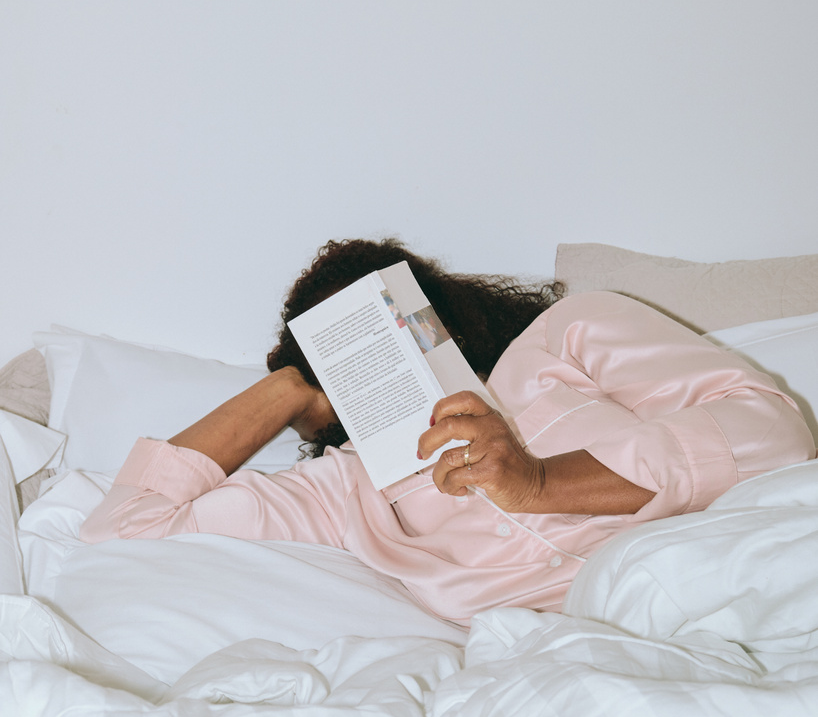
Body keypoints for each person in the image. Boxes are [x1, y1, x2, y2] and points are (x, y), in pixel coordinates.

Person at [81, 238, 816, 624]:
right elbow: (127, 537)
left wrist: (540, 483)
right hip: (577, 654)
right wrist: (286, 388)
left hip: (725, 575)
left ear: (441, 311)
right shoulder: (350, 494)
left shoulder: (572, 335)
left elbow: (776, 433)